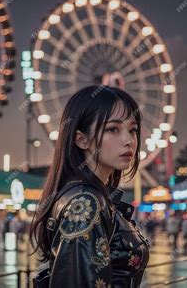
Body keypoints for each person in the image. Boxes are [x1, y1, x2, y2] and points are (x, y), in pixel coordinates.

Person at [30, 86, 149, 287]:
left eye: (132, 130)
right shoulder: (85, 203)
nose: (129, 141)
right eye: (113, 129)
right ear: (81, 139)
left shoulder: (86, 196)